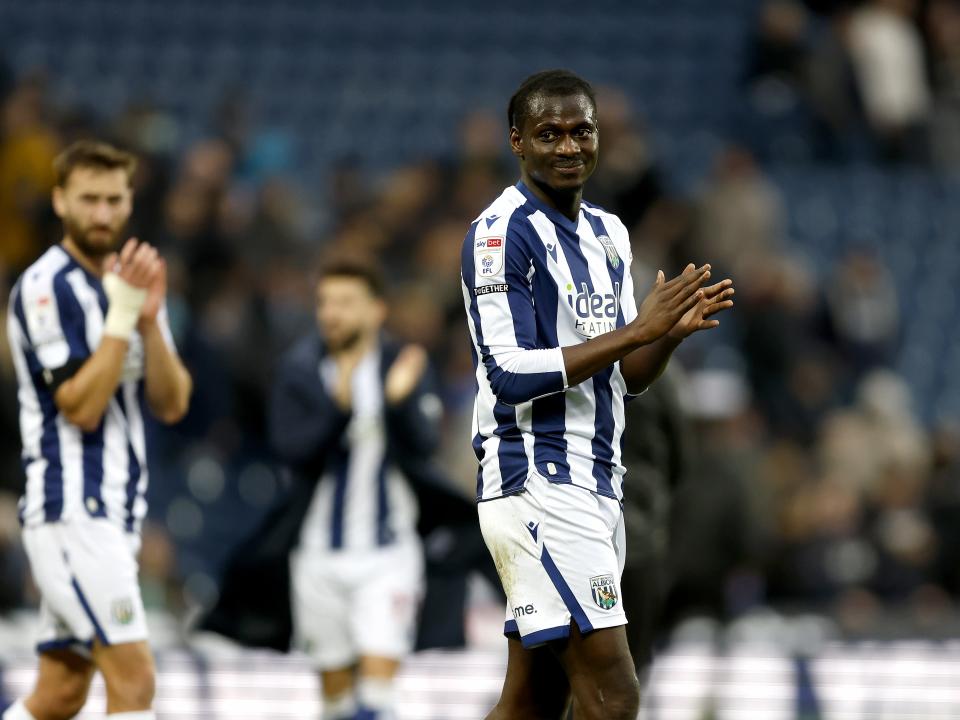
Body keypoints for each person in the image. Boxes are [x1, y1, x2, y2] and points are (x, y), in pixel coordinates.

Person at [460, 69, 735, 719]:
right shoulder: (501, 234)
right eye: (548, 133)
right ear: (517, 142)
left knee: (534, 699)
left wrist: (661, 340)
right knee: (613, 694)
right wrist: (635, 329)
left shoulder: (610, 235)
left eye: (580, 130)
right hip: (538, 481)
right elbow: (508, 373)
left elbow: (622, 381)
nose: (567, 146)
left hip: (598, 481)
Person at [201, 256, 476, 720]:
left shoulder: (402, 366)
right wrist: (342, 409)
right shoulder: (299, 371)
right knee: (335, 701)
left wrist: (396, 403)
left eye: (346, 302)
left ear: (377, 310)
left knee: (376, 693)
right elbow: (292, 450)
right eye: (325, 302)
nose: (332, 313)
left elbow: (425, 445)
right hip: (317, 556)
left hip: (388, 553)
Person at [3, 140, 192, 720]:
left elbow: (173, 402)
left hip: (113, 512)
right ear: (60, 201)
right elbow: (80, 408)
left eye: (114, 200)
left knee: (60, 693)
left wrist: (150, 321)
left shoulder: (122, 283)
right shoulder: (45, 287)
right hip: (72, 509)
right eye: (89, 199)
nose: (103, 214)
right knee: (134, 684)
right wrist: (120, 315)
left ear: (130, 201)